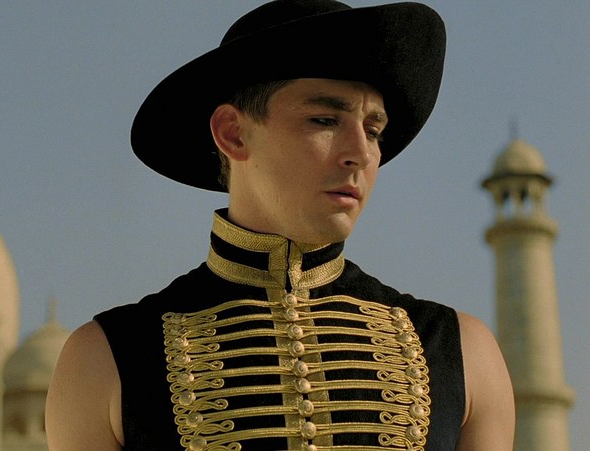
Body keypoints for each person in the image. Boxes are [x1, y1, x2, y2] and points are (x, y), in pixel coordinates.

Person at [45, 1, 515, 450]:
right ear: (233, 133)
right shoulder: (104, 359)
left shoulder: (463, 353)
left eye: (373, 130)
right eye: (324, 119)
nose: (362, 152)